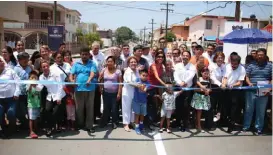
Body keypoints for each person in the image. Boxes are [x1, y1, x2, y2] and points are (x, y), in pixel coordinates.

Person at [243, 48, 272, 135]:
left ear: (265, 55)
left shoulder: (270, 65)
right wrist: (249, 83)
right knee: (249, 109)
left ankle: (258, 127)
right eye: (258, 55)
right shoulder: (251, 65)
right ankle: (246, 126)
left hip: (264, 90)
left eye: (261, 55)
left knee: (261, 110)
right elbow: (247, 76)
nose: (259, 56)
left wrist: (269, 88)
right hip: (251, 90)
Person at [34, 60, 66, 137]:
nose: (45, 68)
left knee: (55, 113)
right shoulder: (41, 77)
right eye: (43, 67)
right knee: (47, 111)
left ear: (49, 66)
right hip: (50, 96)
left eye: (46, 66)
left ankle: (52, 127)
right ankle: (51, 127)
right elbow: (39, 88)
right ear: (41, 69)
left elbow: (60, 86)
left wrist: (58, 98)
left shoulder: (55, 74)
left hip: (59, 95)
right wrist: (34, 86)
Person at [70, 47, 97, 133]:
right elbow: (71, 74)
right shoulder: (76, 64)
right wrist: (71, 81)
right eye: (83, 54)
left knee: (89, 108)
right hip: (78, 89)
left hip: (90, 89)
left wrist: (89, 79)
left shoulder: (92, 63)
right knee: (79, 108)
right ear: (80, 55)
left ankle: (89, 126)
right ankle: (80, 124)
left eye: (86, 54)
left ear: (89, 55)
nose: (84, 56)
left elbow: (93, 73)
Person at [222, 54, 246, 133]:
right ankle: (227, 121)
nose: (233, 65)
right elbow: (225, 77)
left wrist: (233, 85)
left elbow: (240, 82)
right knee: (226, 108)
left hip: (235, 90)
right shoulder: (227, 66)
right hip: (227, 90)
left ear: (239, 63)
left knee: (234, 109)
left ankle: (231, 125)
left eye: (235, 64)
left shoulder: (242, 68)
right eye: (232, 63)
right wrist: (224, 84)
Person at [174, 51, 196, 131]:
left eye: (187, 55)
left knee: (185, 107)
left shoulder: (192, 66)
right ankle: (177, 122)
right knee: (178, 106)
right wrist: (180, 83)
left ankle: (184, 124)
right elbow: (175, 75)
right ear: (181, 56)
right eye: (184, 55)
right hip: (178, 87)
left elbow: (191, 75)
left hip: (187, 89)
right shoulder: (177, 65)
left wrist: (184, 82)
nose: (185, 57)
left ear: (189, 57)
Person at [99, 56, 122, 129]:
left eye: (111, 61)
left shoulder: (118, 71)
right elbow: (100, 80)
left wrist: (119, 93)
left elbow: (120, 83)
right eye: (108, 61)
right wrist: (101, 89)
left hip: (115, 93)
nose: (109, 63)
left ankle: (114, 122)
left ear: (114, 63)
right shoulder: (103, 70)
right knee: (106, 108)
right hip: (106, 93)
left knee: (114, 108)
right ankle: (104, 121)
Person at [0, 56, 20, 138]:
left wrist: (16, 93)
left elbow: (18, 82)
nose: (0, 63)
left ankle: (12, 128)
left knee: (11, 113)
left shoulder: (10, 71)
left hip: (11, 98)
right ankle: (4, 128)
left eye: (1, 61)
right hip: (0, 99)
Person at [13, 52, 32, 129]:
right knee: (20, 110)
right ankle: (23, 124)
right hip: (20, 93)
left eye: (27, 59)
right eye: (24, 59)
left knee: (28, 109)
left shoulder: (29, 68)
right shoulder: (15, 69)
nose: (26, 60)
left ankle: (28, 125)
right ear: (19, 60)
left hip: (28, 93)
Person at [191, 67, 212, 133]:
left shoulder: (209, 80)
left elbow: (210, 89)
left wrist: (208, 91)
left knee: (205, 111)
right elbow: (194, 89)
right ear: (201, 73)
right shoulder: (199, 80)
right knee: (199, 112)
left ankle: (202, 124)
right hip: (198, 97)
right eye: (205, 73)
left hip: (205, 97)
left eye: (207, 73)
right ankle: (199, 126)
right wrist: (201, 89)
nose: (206, 75)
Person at [122, 56, 140, 132]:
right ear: (128, 64)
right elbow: (129, 82)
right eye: (131, 62)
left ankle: (132, 122)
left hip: (135, 92)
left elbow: (139, 80)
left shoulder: (137, 71)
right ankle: (126, 124)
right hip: (127, 92)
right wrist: (138, 85)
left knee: (133, 108)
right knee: (126, 108)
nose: (133, 63)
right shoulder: (128, 71)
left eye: (135, 62)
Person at [208, 52, 226, 123]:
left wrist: (224, 84)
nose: (220, 59)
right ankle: (209, 123)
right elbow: (212, 77)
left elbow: (225, 76)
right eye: (218, 58)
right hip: (214, 87)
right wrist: (220, 84)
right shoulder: (211, 66)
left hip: (222, 87)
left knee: (220, 105)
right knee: (212, 105)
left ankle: (219, 121)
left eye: (221, 58)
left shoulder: (224, 66)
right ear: (215, 58)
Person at [132, 69, 150, 135]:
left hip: (144, 101)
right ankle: (137, 127)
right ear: (140, 75)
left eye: (146, 76)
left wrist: (145, 88)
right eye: (143, 75)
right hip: (136, 101)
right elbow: (133, 84)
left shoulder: (148, 82)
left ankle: (141, 125)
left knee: (142, 114)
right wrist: (137, 85)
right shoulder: (137, 80)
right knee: (137, 114)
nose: (144, 77)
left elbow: (147, 87)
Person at [90, 41, 105, 122]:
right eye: (95, 48)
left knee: (98, 97)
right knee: (91, 98)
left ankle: (98, 113)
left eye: (98, 48)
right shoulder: (89, 54)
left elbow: (103, 67)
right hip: (90, 79)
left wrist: (101, 76)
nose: (96, 50)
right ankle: (92, 115)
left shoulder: (102, 55)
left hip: (99, 78)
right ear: (92, 48)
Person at [27, 71, 40, 139]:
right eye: (32, 77)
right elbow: (28, 90)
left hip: (37, 104)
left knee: (36, 118)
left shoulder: (38, 86)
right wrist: (31, 84)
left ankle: (36, 129)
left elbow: (39, 91)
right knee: (31, 119)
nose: (34, 78)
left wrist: (36, 84)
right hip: (31, 105)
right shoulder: (28, 86)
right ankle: (31, 131)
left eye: (35, 77)